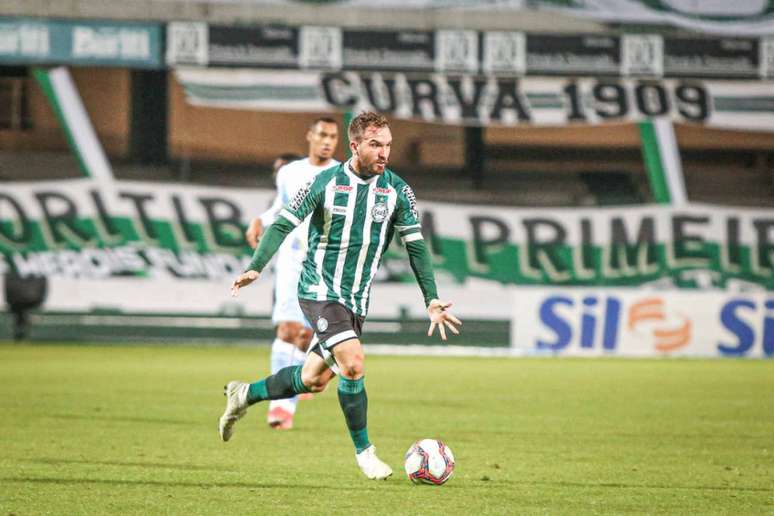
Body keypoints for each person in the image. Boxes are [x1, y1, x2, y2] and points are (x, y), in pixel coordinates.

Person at [220, 111, 462, 480]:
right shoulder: (324, 183)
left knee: (313, 379)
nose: (384, 153)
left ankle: (244, 394)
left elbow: (416, 246)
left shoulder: (398, 190)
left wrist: (431, 298)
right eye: (375, 145)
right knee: (353, 362)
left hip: (356, 300)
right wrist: (257, 265)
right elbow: (282, 223)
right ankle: (365, 452)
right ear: (355, 146)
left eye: (388, 146)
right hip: (319, 289)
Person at [244, 118, 340, 430]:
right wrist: (261, 218)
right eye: (322, 135)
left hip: (324, 263)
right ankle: (281, 407)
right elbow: (283, 206)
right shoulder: (290, 173)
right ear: (310, 136)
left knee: (305, 336)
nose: (327, 141)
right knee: (287, 330)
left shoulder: (344, 174)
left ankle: (297, 384)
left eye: (333, 137)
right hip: (291, 259)